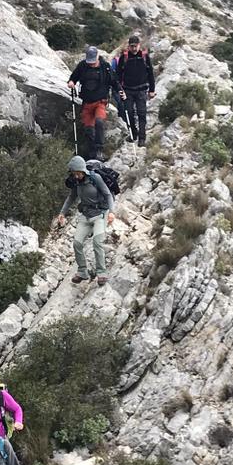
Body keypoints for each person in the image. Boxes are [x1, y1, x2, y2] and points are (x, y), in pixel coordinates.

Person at [57, 155, 115, 286]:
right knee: (77, 243)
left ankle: (101, 273)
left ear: (82, 170)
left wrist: (111, 212)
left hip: (100, 214)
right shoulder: (76, 182)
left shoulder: (96, 178)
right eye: (74, 174)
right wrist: (62, 213)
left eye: (77, 173)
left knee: (97, 242)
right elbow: (71, 197)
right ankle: (82, 271)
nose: (76, 176)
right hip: (85, 215)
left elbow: (107, 194)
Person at [67, 46, 119, 161]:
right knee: (89, 129)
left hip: (100, 102)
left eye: (92, 62)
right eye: (89, 61)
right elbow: (74, 77)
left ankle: (99, 150)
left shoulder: (105, 67)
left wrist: (120, 91)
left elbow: (114, 81)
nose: (90, 64)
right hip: (87, 103)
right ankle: (92, 153)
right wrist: (71, 82)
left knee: (99, 122)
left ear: (97, 57)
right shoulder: (82, 66)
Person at [116, 35, 156, 147]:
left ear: (139, 45)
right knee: (128, 112)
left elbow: (151, 74)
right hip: (128, 90)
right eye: (131, 46)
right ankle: (133, 133)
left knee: (141, 114)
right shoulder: (124, 58)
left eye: (135, 46)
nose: (134, 49)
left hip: (141, 90)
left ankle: (142, 138)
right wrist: (120, 89)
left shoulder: (144, 57)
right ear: (128, 46)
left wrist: (152, 90)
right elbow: (118, 75)